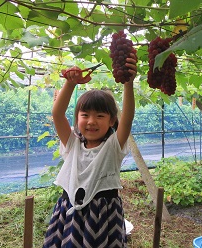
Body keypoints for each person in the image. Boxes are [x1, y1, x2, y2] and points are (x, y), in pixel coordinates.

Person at [43, 54, 137, 248]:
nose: (91, 121)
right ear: (77, 118)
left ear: (112, 121)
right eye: (85, 115)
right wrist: (70, 84)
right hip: (69, 211)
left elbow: (127, 120)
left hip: (102, 216)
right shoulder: (72, 143)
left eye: (100, 115)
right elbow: (57, 113)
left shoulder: (113, 147)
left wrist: (128, 84)